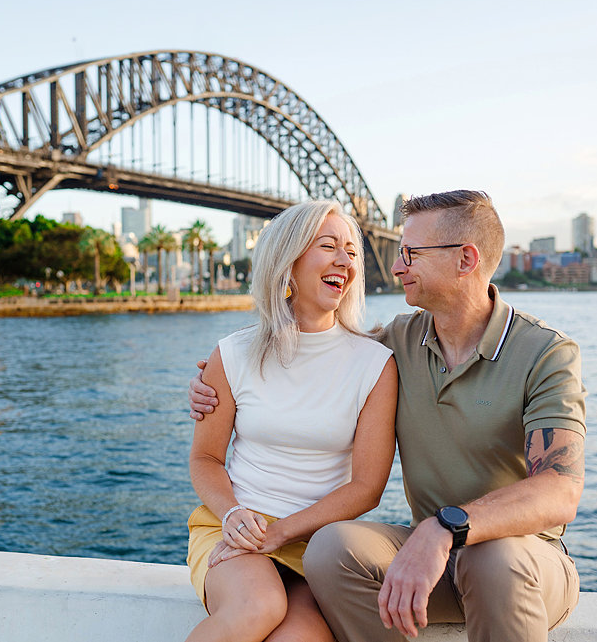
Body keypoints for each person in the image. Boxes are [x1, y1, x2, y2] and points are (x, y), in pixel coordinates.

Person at [189, 190, 586, 642]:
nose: (396, 268)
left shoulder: (546, 353)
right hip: (428, 553)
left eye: (410, 254)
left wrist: (445, 526)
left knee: (489, 558)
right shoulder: (396, 343)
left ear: (466, 259)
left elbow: (559, 492)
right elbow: (315, 353)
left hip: (524, 561)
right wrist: (207, 382)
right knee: (330, 549)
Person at [185, 200, 398, 642]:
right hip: (235, 529)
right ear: (289, 257)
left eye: (352, 251)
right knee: (257, 606)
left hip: (315, 545)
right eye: (328, 246)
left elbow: (367, 487)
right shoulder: (233, 353)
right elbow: (206, 459)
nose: (345, 260)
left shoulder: (376, 364)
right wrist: (233, 514)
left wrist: (281, 532)